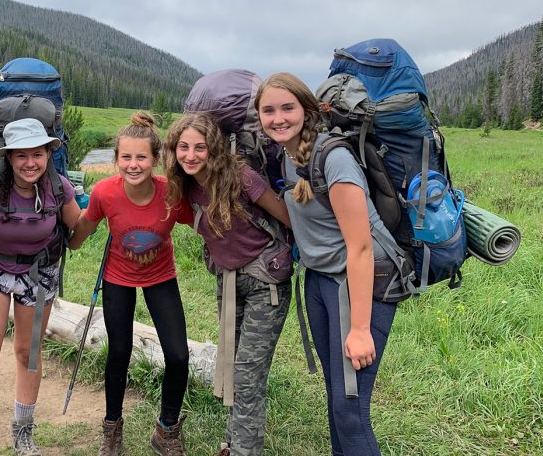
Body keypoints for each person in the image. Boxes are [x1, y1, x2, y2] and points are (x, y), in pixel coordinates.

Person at [256, 72, 399, 456]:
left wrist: (359, 329)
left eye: (288, 108)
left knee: (350, 410)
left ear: (308, 110)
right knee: (338, 397)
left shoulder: (333, 158)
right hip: (320, 282)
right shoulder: (287, 157)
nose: (278, 118)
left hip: (361, 284)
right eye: (268, 110)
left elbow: (362, 249)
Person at [162, 112, 292, 456]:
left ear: (214, 149)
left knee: (248, 377)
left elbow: (287, 217)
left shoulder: (241, 177)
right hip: (229, 281)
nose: (190, 155)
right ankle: (234, 444)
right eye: (183, 147)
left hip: (267, 284)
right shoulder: (184, 184)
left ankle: (242, 451)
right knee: (234, 369)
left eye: (199, 147)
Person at [68, 112, 194, 456]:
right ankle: (112, 429)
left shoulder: (171, 193)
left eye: (141, 157)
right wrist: (63, 243)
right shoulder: (105, 192)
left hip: (160, 277)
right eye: (126, 157)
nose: (133, 165)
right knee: (119, 353)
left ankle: (166, 430)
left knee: (179, 356)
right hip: (118, 278)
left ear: (155, 159)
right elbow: (84, 226)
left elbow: (203, 221)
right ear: (116, 159)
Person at [0, 118, 81, 456]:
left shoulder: (59, 189)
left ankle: (23, 434)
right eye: (21, 156)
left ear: (47, 154)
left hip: (39, 278)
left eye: (37, 154)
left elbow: (78, 233)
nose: (30, 163)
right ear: (8, 158)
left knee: (29, 355)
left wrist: (106, 210)